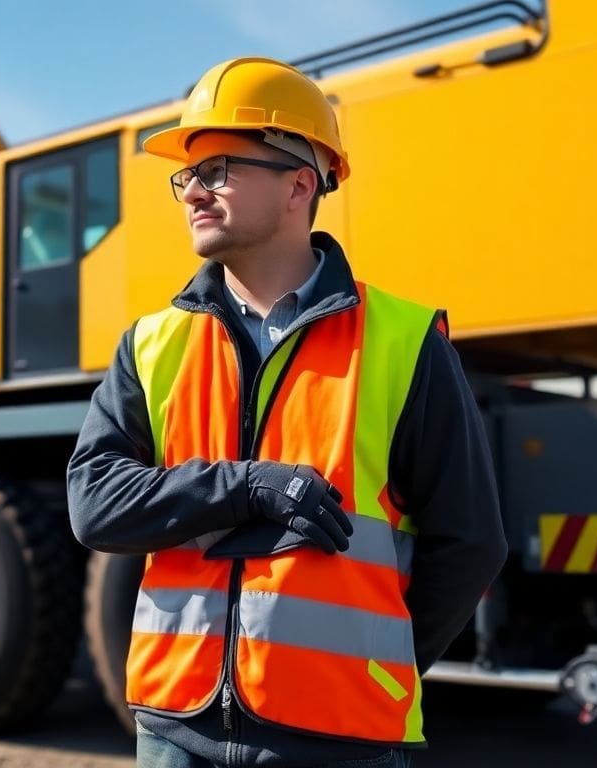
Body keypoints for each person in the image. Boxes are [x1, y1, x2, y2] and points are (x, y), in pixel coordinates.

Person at [66, 57, 506, 768]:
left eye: (217, 170)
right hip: (175, 731)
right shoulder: (151, 344)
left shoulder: (402, 341)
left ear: (301, 183)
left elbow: (471, 542)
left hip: (339, 742)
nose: (192, 191)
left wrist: (378, 668)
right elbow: (93, 506)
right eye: (187, 175)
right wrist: (243, 487)